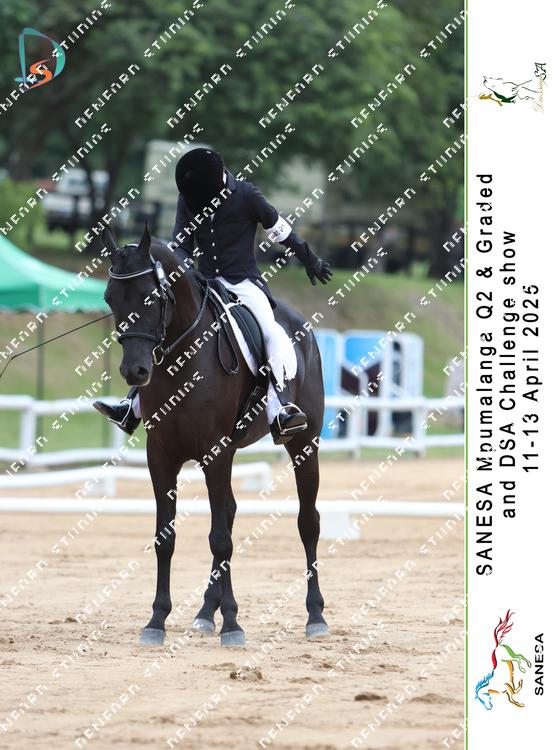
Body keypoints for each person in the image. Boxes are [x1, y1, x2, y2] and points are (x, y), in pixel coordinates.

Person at [93, 147, 332, 442]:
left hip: (244, 283)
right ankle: (132, 406)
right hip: (203, 281)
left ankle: (279, 410)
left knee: (272, 333)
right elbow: (182, 244)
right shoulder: (189, 198)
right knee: (163, 330)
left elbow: (279, 230)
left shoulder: (246, 195)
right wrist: (175, 270)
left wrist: (309, 258)